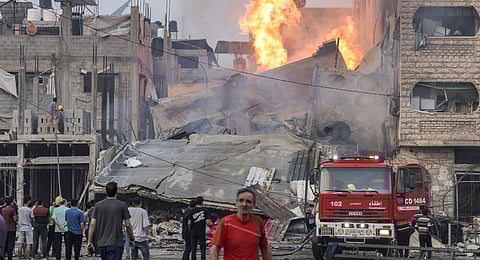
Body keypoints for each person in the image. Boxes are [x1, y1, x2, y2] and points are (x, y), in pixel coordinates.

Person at [210, 188, 272, 260]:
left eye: (248, 201)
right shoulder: (226, 222)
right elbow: (215, 248)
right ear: (236, 203)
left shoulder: (258, 222)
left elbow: (265, 248)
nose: (244, 204)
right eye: (241, 200)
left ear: (254, 205)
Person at [87, 182, 134, 260]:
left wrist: (90, 241)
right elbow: (128, 224)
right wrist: (132, 238)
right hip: (116, 243)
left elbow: (92, 224)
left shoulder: (98, 205)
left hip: (102, 243)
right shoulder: (122, 205)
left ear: (106, 192)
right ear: (116, 191)